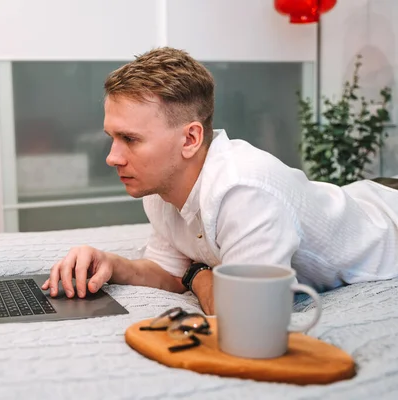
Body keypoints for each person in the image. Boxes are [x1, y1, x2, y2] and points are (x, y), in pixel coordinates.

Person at [41, 47, 398, 315]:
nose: (112, 157)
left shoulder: (245, 190)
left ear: (190, 139)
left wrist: (197, 273)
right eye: (112, 137)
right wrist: (112, 264)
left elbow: (246, 316)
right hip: (359, 197)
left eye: (130, 139)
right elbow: (167, 271)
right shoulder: (159, 186)